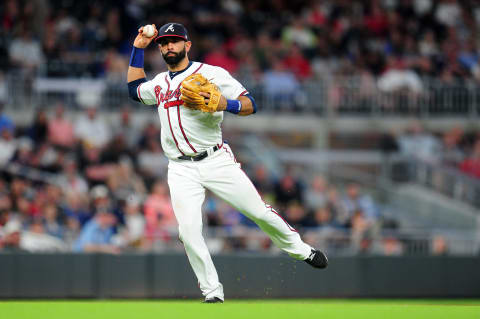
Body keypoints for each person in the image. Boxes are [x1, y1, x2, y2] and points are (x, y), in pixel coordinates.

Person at [126, 22, 328, 303]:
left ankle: (301, 250)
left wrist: (225, 104)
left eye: (174, 41)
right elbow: (134, 89)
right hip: (180, 168)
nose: (168, 46)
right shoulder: (160, 82)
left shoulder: (211, 73)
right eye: (163, 42)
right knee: (187, 232)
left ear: (187, 45)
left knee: (258, 211)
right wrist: (137, 48)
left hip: (215, 160)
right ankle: (212, 292)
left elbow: (250, 103)